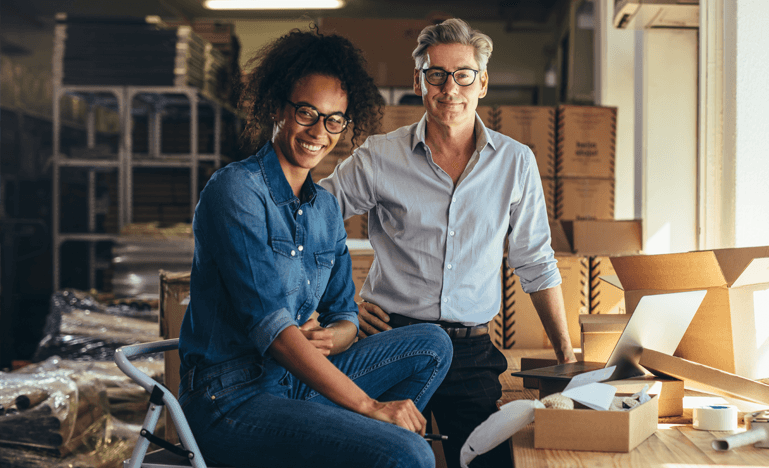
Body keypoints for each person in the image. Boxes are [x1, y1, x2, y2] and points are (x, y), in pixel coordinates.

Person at [176, 27, 453, 468]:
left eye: (334, 120)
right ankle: (378, 445)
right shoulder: (236, 191)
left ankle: (365, 445)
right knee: (410, 453)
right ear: (276, 107)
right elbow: (271, 328)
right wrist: (369, 406)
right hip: (229, 400)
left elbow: (345, 316)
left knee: (432, 344)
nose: (319, 131)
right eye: (306, 112)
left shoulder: (324, 208)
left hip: (294, 382)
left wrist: (328, 336)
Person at [319, 18, 576, 468]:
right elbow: (310, 223)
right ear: (418, 81)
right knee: (387, 460)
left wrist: (566, 357)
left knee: (486, 463)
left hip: (470, 352)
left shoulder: (515, 163)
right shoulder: (380, 156)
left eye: (463, 75)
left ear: (483, 83)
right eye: (436, 74)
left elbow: (536, 262)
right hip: (392, 341)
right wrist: (338, 309)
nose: (450, 88)